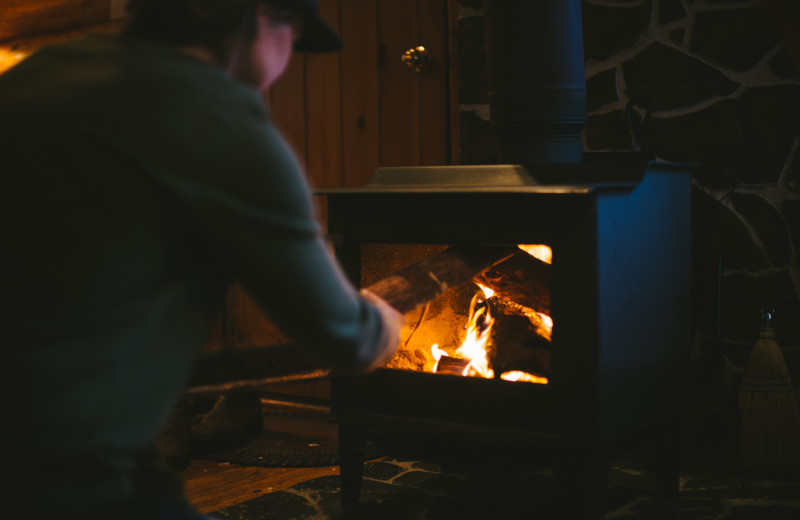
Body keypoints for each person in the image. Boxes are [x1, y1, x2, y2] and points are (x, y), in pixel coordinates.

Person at [0, 0, 403, 518]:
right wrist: (384, 319)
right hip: (57, 466)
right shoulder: (219, 119)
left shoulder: (38, 75)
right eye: (295, 42)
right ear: (260, 17)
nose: (286, 65)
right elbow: (346, 339)